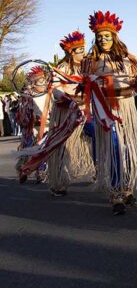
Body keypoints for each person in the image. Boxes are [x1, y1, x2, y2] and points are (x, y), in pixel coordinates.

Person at [82, 11, 137, 215]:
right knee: (113, 149)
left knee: (127, 149)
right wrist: (90, 81)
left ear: (114, 37)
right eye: (99, 37)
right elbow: (83, 87)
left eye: (107, 36)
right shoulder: (90, 61)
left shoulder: (127, 59)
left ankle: (126, 187)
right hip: (104, 109)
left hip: (125, 107)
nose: (103, 40)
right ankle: (116, 191)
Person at [46, 31, 95, 197]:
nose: (82, 53)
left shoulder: (88, 67)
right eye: (79, 50)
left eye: (83, 49)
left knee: (97, 137)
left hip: (86, 111)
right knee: (62, 146)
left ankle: (99, 169)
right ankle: (59, 182)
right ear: (70, 52)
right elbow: (56, 91)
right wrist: (69, 101)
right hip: (66, 113)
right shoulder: (61, 69)